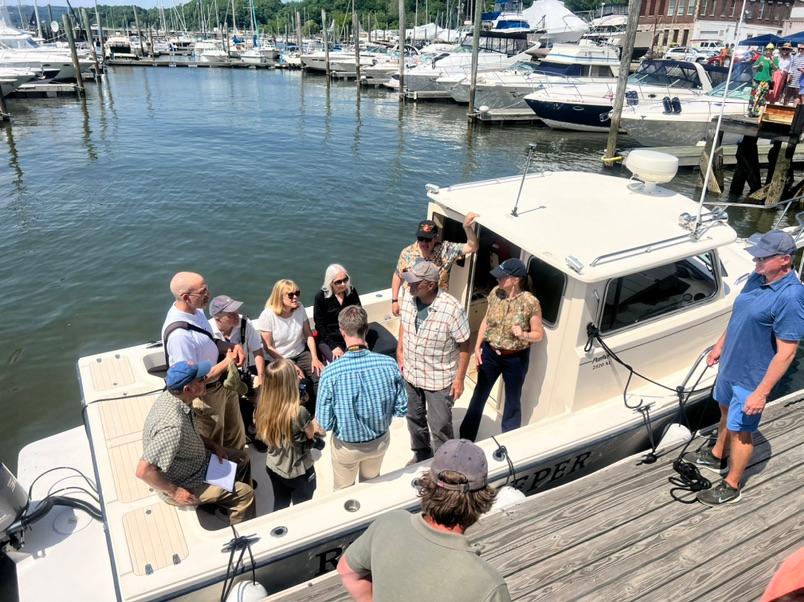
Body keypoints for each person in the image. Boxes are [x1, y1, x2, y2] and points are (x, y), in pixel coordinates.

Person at [692, 231, 804, 506]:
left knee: (741, 431)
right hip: (731, 365)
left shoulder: (791, 297)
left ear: (785, 260)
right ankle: (717, 454)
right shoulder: (758, 277)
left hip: (752, 377)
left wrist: (761, 393)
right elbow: (738, 315)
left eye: (763, 257)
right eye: (757, 256)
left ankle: (731, 485)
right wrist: (720, 345)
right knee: (725, 411)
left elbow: (787, 352)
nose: (756, 260)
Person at [337, 439, 511, 602]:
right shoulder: (489, 585)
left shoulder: (388, 522)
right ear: (481, 499)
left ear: (428, 483)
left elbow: (346, 571)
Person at [135, 360, 255, 525]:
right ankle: (244, 528)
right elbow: (143, 471)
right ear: (187, 389)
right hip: (187, 481)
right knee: (245, 494)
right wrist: (175, 491)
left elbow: (189, 432)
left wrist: (213, 446)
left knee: (242, 458)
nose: (206, 380)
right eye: (201, 379)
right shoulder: (172, 427)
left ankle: (226, 501)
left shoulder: (175, 399)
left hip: (198, 463)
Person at [316, 305, 408, 489]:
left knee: (344, 492)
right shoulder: (389, 364)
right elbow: (402, 408)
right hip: (379, 442)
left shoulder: (330, 373)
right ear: (366, 329)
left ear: (342, 331)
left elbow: (325, 423)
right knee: (371, 487)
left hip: (346, 448)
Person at [459, 259, 544, 442]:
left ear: (515, 280)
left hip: (515, 359)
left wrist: (524, 334)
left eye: (502, 277)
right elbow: (486, 321)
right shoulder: (495, 293)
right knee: (479, 394)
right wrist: (478, 346)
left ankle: (509, 440)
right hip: (490, 354)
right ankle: (465, 437)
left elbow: (538, 334)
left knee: (512, 400)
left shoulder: (531, 302)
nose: (498, 279)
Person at [162, 272, 246, 450]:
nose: (208, 295)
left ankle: (239, 462)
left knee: (235, 434)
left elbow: (209, 341)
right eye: (203, 292)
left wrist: (230, 346)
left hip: (222, 384)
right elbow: (191, 381)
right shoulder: (179, 337)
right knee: (214, 444)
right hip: (205, 395)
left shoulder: (197, 312)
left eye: (207, 289)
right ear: (186, 297)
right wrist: (227, 362)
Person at [397, 261, 471, 463]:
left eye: (415, 282)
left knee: (440, 426)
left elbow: (465, 343)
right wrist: (400, 349)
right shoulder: (408, 297)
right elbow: (404, 322)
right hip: (411, 373)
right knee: (414, 418)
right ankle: (421, 454)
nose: (409, 285)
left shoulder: (452, 309)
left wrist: (459, 380)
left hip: (439, 379)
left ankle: (444, 463)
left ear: (430, 285)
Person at [254, 359, 325, 511]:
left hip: (273, 466)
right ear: (290, 383)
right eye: (295, 375)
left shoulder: (261, 407)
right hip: (298, 472)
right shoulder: (299, 412)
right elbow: (311, 434)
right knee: (303, 509)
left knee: (280, 504)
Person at [390, 213, 480, 316]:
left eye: (428, 239)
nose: (424, 243)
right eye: (421, 238)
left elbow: (472, 246)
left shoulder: (446, 250)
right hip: (411, 303)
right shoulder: (407, 253)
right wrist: (394, 301)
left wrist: (467, 227)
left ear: (436, 238)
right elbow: (398, 275)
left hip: (437, 306)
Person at [209, 294, 267, 451]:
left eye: (236, 311)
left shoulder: (244, 324)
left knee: (263, 394)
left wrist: (261, 377)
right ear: (218, 319)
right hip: (220, 380)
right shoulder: (208, 332)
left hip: (244, 374)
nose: (236, 315)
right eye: (230, 314)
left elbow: (258, 351)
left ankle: (255, 429)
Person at [255, 279, 324, 409]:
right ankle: (297, 413)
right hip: (279, 357)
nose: (295, 297)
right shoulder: (267, 315)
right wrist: (290, 365)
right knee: (294, 383)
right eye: (290, 295)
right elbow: (268, 347)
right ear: (279, 297)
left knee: (319, 375)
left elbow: (308, 334)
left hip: (300, 352)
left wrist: (315, 358)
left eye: (297, 293)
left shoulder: (300, 308)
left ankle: (318, 410)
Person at [313, 264, 361, 363]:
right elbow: (319, 325)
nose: (343, 284)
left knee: (359, 358)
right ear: (330, 283)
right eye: (338, 282)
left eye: (345, 280)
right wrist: (333, 346)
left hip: (350, 335)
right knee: (341, 363)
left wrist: (359, 338)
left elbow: (359, 315)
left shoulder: (351, 292)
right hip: (329, 339)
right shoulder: (320, 297)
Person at [748, 43, 778, 118]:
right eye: (767, 49)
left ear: (772, 50)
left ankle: (757, 112)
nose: (768, 51)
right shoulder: (761, 57)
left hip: (766, 80)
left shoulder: (775, 59)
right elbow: (753, 67)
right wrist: (758, 65)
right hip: (757, 79)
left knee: (762, 96)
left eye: (770, 49)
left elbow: (776, 69)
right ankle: (750, 111)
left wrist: (772, 63)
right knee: (754, 95)